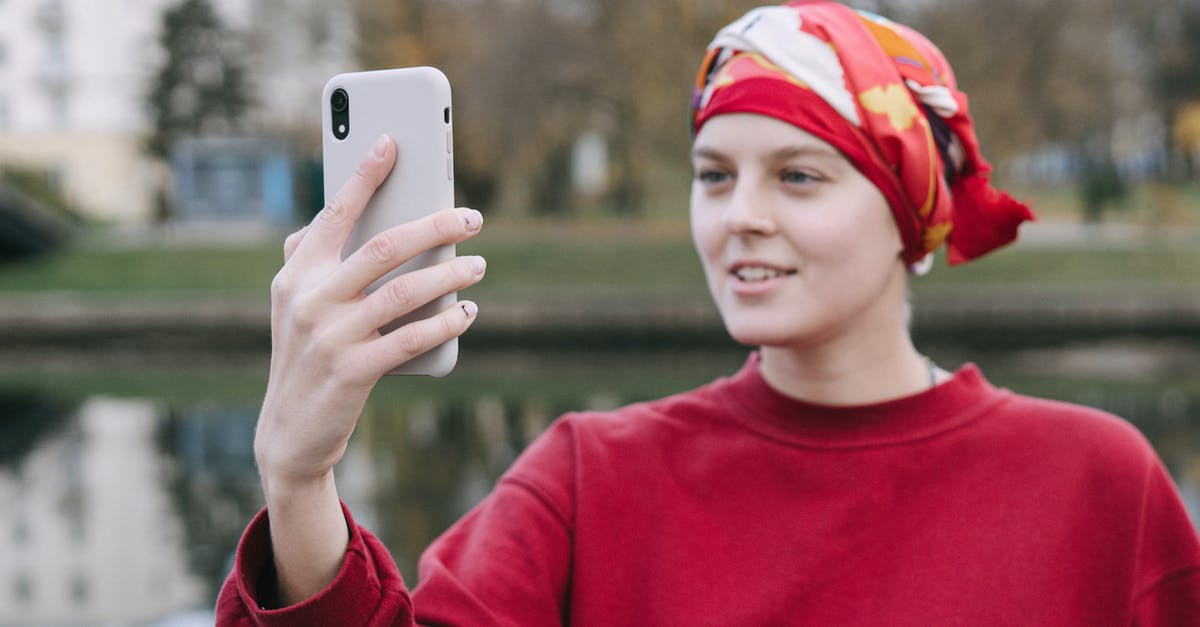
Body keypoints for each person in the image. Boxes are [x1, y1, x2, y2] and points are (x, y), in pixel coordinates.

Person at [216, 1, 1200, 624]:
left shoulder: (1098, 483)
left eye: (800, 176)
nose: (742, 218)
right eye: (713, 175)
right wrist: (300, 483)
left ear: (908, 212)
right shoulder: (584, 482)